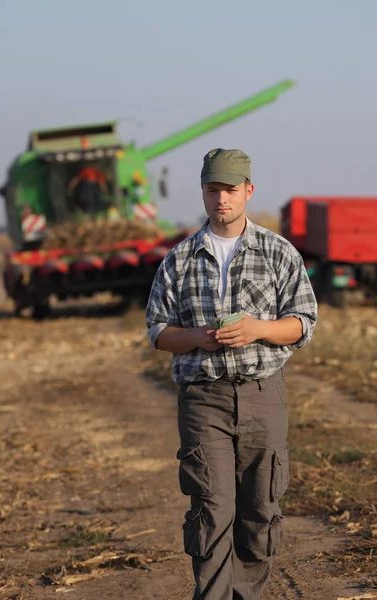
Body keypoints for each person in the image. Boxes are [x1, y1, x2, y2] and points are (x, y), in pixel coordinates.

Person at [145, 148, 318, 600]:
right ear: (203, 192)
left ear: (248, 191)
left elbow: (303, 322)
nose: (222, 199)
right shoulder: (179, 259)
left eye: (230, 190)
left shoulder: (279, 252)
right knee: (212, 509)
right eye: (213, 189)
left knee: (259, 509)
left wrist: (259, 329)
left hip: (263, 394)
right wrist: (199, 338)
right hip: (204, 399)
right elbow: (159, 331)